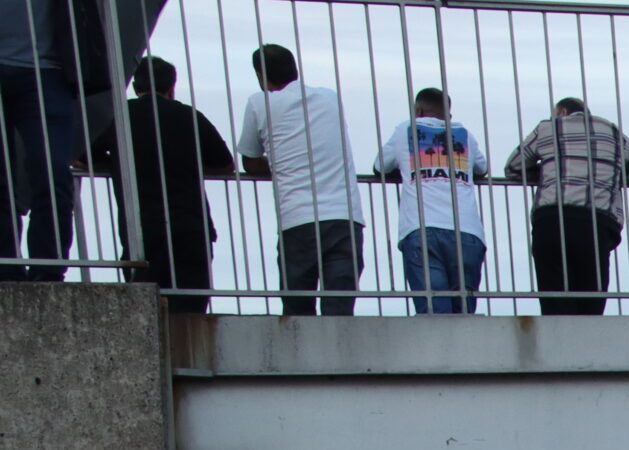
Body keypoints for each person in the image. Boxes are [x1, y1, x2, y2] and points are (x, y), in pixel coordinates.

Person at [86, 57, 238, 313]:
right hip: (191, 228)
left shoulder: (120, 117)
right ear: (171, 88)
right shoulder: (189, 116)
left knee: (144, 313)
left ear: (136, 87)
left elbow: (83, 157)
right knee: (191, 311)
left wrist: (115, 162)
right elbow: (225, 163)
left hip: (142, 231)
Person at [238, 44, 364, 315]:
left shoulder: (259, 103)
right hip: (346, 217)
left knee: (298, 313)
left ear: (261, 75)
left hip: (297, 220)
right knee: (340, 312)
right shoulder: (330, 98)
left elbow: (250, 160)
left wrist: (278, 163)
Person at [504, 97, 629, 315]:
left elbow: (513, 167)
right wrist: (609, 176)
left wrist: (550, 172)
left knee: (554, 305)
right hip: (596, 225)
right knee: (590, 306)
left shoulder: (548, 127)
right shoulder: (612, 131)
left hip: (551, 220)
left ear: (563, 112)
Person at [376, 88, 490, 314]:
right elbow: (482, 167)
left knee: (434, 312)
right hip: (467, 231)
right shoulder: (464, 134)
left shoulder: (405, 130)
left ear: (417, 110)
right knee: (464, 313)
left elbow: (380, 166)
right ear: (448, 114)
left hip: (422, 228)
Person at [0, 0, 79, 283]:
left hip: (45, 72)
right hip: (41, 72)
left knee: (53, 171)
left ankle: (48, 268)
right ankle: (6, 266)